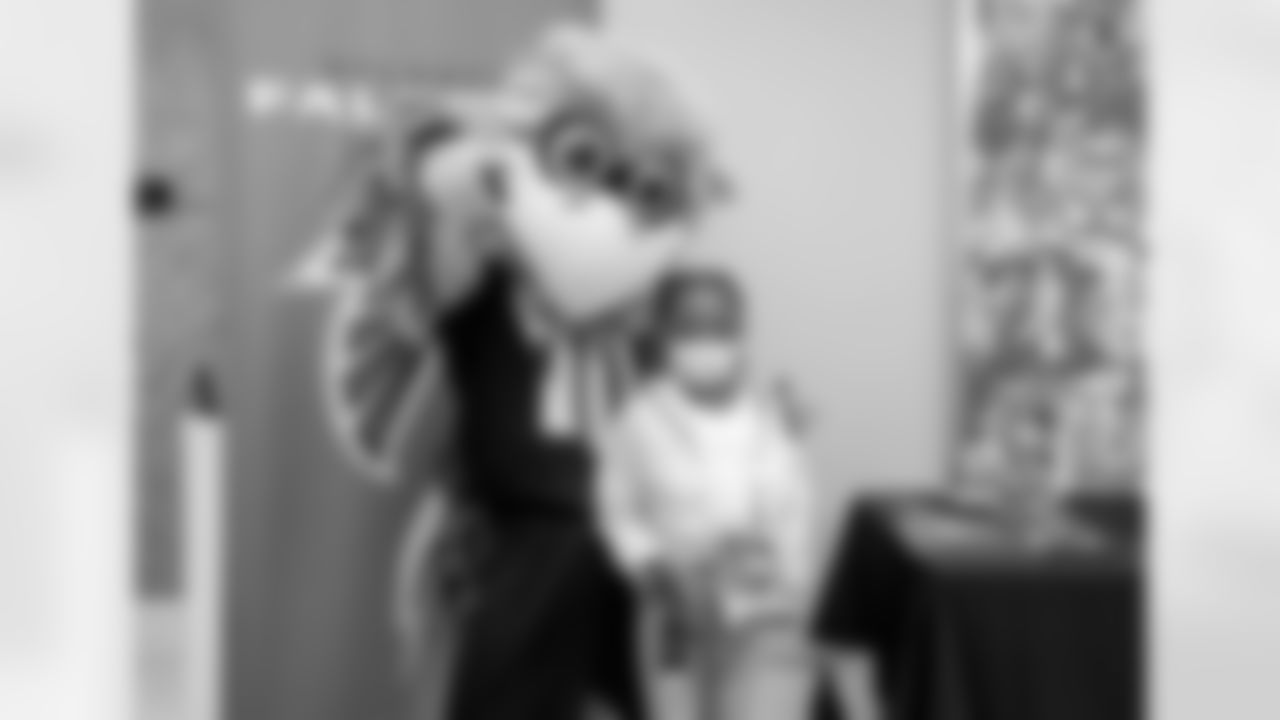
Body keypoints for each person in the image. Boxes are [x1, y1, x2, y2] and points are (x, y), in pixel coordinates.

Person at [596, 267, 816, 720]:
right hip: (675, 608)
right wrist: (653, 569)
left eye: (720, 326)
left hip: (762, 612)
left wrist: (786, 584)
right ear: (664, 334)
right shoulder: (640, 420)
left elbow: (796, 512)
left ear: (740, 332)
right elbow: (616, 509)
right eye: (690, 327)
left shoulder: (770, 420)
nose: (706, 341)